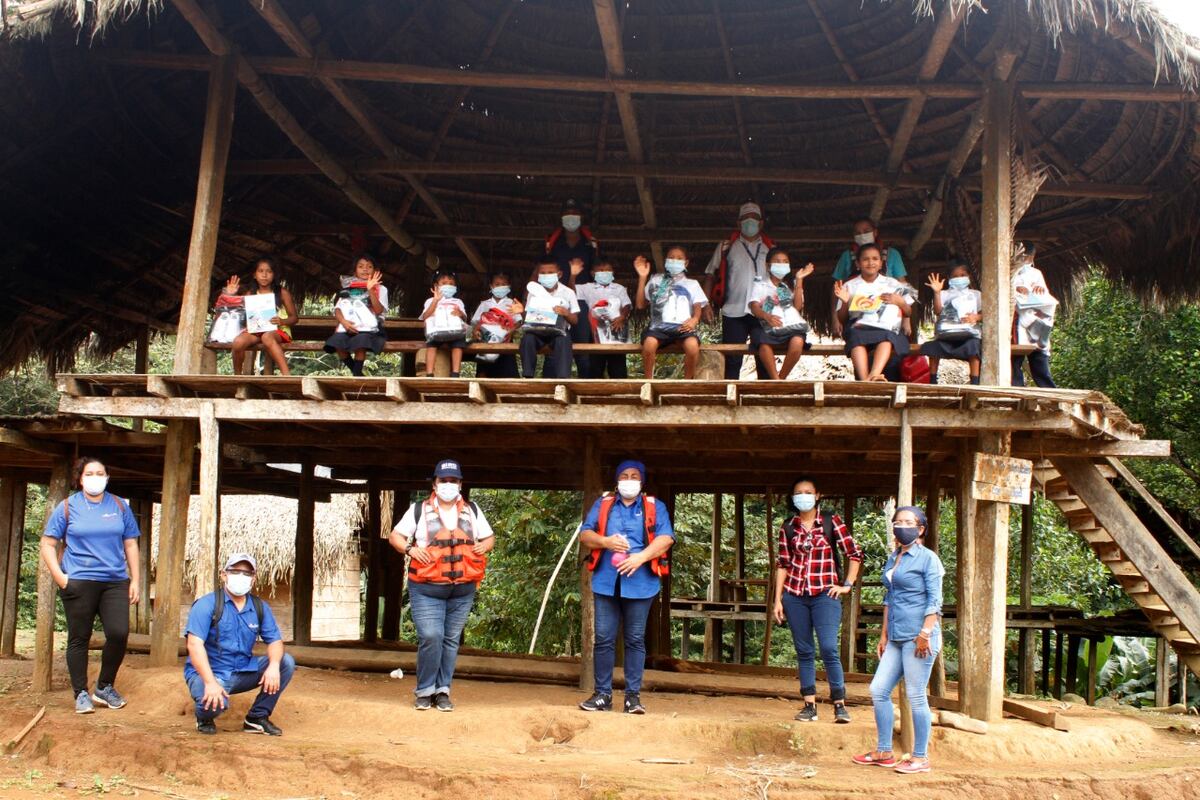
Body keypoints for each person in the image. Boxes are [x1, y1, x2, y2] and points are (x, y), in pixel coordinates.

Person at [389, 460, 495, 711]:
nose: (449, 485)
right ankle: (425, 689)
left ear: (460, 484)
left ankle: (442, 690)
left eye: (453, 481)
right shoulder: (418, 510)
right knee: (431, 636)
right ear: (435, 484)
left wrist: (484, 545)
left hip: (462, 589)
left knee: (450, 640)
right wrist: (410, 549)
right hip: (426, 588)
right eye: (444, 481)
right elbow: (395, 536)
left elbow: (489, 537)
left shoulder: (473, 510)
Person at [41, 457, 140, 714]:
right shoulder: (67, 507)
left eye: (100, 473)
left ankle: (104, 686)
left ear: (107, 477)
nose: (95, 477)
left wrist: (136, 580)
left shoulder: (119, 505)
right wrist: (61, 578)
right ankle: (81, 693)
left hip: (115, 581)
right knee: (79, 638)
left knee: (119, 633)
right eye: (90, 473)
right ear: (80, 478)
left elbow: (130, 544)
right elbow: (48, 545)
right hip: (79, 581)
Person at [853, 506, 945, 775]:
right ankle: (884, 751)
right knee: (878, 690)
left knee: (916, 696)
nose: (902, 525)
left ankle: (920, 757)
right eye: (898, 521)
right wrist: (883, 635)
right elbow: (889, 599)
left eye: (908, 522)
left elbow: (935, 600)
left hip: (919, 637)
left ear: (920, 529)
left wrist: (925, 633)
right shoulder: (894, 557)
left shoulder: (928, 559)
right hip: (895, 636)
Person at [578, 460, 675, 714]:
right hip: (606, 581)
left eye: (634, 476)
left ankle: (632, 697)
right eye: (624, 475)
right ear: (617, 480)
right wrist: (606, 541)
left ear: (642, 482)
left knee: (634, 640)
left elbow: (666, 538)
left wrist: (641, 557)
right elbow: (585, 535)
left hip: (642, 583)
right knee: (603, 639)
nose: (629, 480)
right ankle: (602, 695)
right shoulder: (604, 505)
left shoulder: (655, 507)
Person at [771, 478, 862, 723]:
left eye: (808, 492)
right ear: (792, 497)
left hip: (825, 594)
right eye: (798, 493)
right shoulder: (788, 526)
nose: (803, 496)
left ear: (818, 495)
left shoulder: (832, 522)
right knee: (804, 650)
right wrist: (778, 600)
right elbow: (783, 564)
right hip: (795, 595)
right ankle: (809, 705)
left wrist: (846, 585)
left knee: (829, 648)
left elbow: (854, 553)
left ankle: (839, 704)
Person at [184, 554, 294, 735]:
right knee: (214, 706)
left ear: (253, 579)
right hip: (209, 674)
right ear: (224, 575)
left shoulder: (259, 607)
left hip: (244, 671)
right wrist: (210, 683)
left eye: (247, 573)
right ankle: (204, 717)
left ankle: (256, 718)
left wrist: (273, 666)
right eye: (235, 571)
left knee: (285, 662)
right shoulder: (206, 604)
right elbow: (194, 645)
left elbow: (275, 641)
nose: (241, 577)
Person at [704, 202, 774, 379]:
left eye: (754, 218)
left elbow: (779, 280)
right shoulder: (726, 247)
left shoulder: (771, 248)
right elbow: (710, 275)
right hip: (734, 310)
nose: (750, 221)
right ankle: (730, 400)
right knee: (732, 359)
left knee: (765, 354)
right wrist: (705, 305)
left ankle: (766, 400)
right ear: (738, 223)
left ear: (761, 223)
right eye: (745, 218)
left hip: (764, 311)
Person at [834, 244, 914, 382]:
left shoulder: (894, 284)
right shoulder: (849, 285)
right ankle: (865, 379)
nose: (870, 262)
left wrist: (900, 302)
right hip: (858, 327)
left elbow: (908, 312)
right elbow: (843, 319)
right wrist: (845, 302)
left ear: (881, 263)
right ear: (858, 264)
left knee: (887, 337)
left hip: (886, 327)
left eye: (875, 259)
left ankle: (874, 374)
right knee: (855, 337)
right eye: (865, 259)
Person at [636, 249, 708, 380]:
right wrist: (642, 277)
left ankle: (687, 382)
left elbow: (697, 307)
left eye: (679, 258)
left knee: (692, 348)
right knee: (649, 346)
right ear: (666, 261)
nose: (675, 260)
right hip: (658, 328)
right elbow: (640, 304)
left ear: (686, 263)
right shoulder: (656, 280)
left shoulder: (692, 284)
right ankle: (648, 381)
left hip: (683, 328)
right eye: (671, 257)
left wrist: (694, 320)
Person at [547, 199, 600, 377]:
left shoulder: (590, 243)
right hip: (556, 299)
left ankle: (586, 385)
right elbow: (542, 266)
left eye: (574, 213)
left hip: (582, 301)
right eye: (567, 213)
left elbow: (597, 269)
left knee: (583, 347)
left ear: (581, 217)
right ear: (561, 218)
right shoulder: (553, 242)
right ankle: (550, 384)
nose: (571, 217)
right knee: (553, 343)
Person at [748, 248, 815, 380]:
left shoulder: (789, 286)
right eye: (777, 261)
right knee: (763, 343)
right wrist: (767, 316)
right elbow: (754, 307)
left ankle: (781, 378)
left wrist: (799, 280)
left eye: (785, 262)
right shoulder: (760, 285)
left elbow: (797, 307)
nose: (782, 264)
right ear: (768, 266)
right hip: (765, 325)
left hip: (789, 326)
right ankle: (775, 379)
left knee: (798, 341)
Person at [227, 258, 297, 376]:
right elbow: (234, 313)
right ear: (255, 275)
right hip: (256, 331)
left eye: (269, 271)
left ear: (274, 275)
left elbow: (294, 318)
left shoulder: (282, 293)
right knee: (238, 342)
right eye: (261, 271)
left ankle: (287, 376)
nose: (264, 275)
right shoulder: (250, 294)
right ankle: (238, 376)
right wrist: (231, 295)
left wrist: (281, 321)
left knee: (267, 337)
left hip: (278, 331)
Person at [324, 255, 388, 377]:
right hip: (348, 325)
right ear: (355, 271)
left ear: (376, 271)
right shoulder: (348, 288)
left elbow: (379, 310)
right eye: (361, 266)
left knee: (361, 341)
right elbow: (338, 309)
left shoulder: (381, 289)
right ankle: (358, 374)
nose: (365, 269)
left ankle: (356, 374)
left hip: (370, 327)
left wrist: (370, 290)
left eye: (369, 267)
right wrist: (344, 322)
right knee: (337, 342)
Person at [921, 260, 982, 385]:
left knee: (974, 346)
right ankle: (933, 380)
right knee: (933, 347)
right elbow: (938, 311)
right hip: (947, 336)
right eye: (955, 276)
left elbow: (987, 313)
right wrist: (937, 293)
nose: (959, 278)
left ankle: (974, 382)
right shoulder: (944, 294)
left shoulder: (976, 295)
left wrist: (976, 317)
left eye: (962, 275)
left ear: (969, 276)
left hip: (969, 335)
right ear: (949, 278)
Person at [570, 259, 632, 379]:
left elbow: (627, 305)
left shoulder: (619, 288)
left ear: (613, 272)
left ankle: (621, 395)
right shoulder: (587, 287)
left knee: (618, 368)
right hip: (595, 333)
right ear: (593, 273)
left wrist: (622, 317)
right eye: (601, 271)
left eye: (608, 270)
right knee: (595, 367)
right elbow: (571, 292)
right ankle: (596, 396)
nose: (605, 273)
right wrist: (573, 275)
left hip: (616, 329)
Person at [520, 259, 579, 379]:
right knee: (527, 339)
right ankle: (528, 375)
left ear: (559, 274)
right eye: (543, 273)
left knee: (564, 340)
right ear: (538, 275)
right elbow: (527, 317)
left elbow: (575, 320)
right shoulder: (533, 292)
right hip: (537, 331)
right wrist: (521, 311)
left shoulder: (568, 292)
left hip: (558, 332)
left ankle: (563, 379)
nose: (546, 275)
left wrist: (565, 313)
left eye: (550, 272)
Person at [1010, 242, 1057, 388]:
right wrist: (1015, 288)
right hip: (1016, 322)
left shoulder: (1036, 274)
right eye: (1020, 257)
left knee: (1039, 363)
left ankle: (1051, 396)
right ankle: (1016, 392)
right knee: (1014, 361)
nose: (1023, 260)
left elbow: (1045, 297)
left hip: (1035, 321)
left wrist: (1037, 289)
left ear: (1031, 258)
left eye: (1025, 257)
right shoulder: (1008, 271)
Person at [471, 272, 524, 379]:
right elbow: (476, 322)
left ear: (509, 287)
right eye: (497, 284)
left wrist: (511, 331)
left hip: (506, 340)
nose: (500, 287)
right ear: (491, 286)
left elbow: (519, 321)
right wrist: (475, 331)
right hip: (486, 341)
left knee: (507, 373)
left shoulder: (511, 303)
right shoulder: (485, 304)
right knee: (484, 373)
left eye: (504, 284)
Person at [418, 270, 470, 378]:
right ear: (436, 286)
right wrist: (435, 301)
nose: (448, 286)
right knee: (431, 346)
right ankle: (429, 373)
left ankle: (455, 373)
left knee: (458, 345)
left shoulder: (458, 302)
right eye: (444, 283)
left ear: (455, 287)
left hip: (454, 332)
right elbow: (425, 316)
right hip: (436, 331)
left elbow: (465, 318)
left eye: (451, 284)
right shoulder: (430, 301)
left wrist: (459, 313)